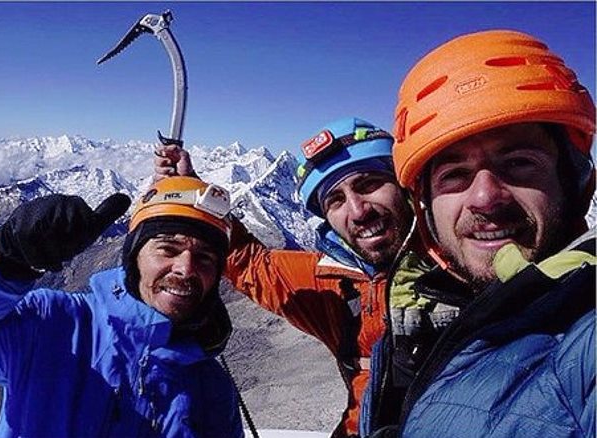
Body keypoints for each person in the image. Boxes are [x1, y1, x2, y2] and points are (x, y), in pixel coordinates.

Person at [0, 177, 244, 437]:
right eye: (167, 248)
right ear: (133, 257)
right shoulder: (52, 325)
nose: (186, 269)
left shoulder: (212, 387)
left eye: (206, 258)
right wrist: (4, 259)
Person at [359, 29, 595, 438]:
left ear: (577, 185)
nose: (485, 197)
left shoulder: (584, 342)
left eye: (519, 162)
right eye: (455, 175)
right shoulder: (415, 320)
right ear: (426, 209)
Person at [154, 117, 414, 437]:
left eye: (369, 184)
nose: (359, 211)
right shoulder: (337, 284)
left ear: (405, 183)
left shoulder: (466, 267)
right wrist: (194, 194)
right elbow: (251, 264)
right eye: (335, 200)